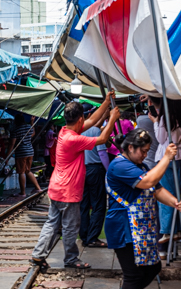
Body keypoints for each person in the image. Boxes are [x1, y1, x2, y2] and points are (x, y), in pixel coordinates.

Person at [104, 129, 181, 289]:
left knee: (154, 266)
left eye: (149, 151)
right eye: (143, 151)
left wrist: (174, 202)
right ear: (130, 148)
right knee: (132, 275)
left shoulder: (140, 166)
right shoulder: (120, 165)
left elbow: (157, 189)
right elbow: (148, 182)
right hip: (124, 227)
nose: (145, 155)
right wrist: (166, 158)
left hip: (141, 229)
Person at [31, 98, 121, 270]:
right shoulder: (73, 139)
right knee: (70, 227)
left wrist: (106, 102)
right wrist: (112, 119)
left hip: (57, 188)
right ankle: (71, 259)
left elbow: (93, 120)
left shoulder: (65, 131)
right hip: (68, 191)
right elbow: (102, 138)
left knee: (52, 223)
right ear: (80, 119)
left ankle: (38, 255)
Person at [150, 97, 181, 244]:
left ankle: (168, 231)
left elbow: (161, 139)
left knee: (165, 193)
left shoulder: (164, 118)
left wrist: (155, 123)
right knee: (176, 193)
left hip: (167, 156)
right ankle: (177, 229)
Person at [79, 106, 110, 248]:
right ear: (90, 115)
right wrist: (109, 172)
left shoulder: (78, 131)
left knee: (84, 205)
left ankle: (84, 236)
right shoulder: (96, 131)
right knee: (98, 204)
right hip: (95, 169)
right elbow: (103, 154)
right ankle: (92, 238)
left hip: (82, 170)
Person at [8, 114, 41, 196]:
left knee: (21, 172)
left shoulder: (15, 130)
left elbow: (12, 143)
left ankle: (22, 193)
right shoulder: (28, 127)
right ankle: (38, 188)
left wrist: (7, 156)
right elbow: (33, 133)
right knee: (28, 170)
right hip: (30, 151)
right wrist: (32, 123)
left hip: (21, 152)